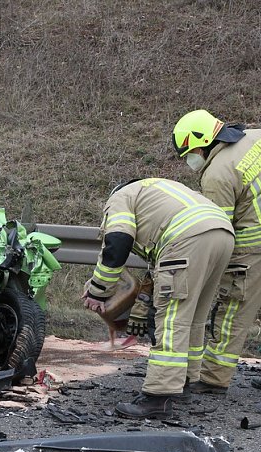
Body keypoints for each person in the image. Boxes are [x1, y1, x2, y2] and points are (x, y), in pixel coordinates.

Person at [173, 110, 261, 395]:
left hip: (256, 249)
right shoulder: (258, 137)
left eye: (190, 152)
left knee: (232, 313)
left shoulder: (217, 174)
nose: (189, 159)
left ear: (204, 142)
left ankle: (212, 379)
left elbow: (218, 229)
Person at [82, 178, 234, 419]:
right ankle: (183, 382)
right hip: (222, 234)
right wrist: (143, 301)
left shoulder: (121, 197)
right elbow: (157, 267)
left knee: (171, 319)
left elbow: (118, 241)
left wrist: (97, 291)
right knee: (193, 316)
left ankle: (158, 399)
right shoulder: (158, 190)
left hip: (187, 238)